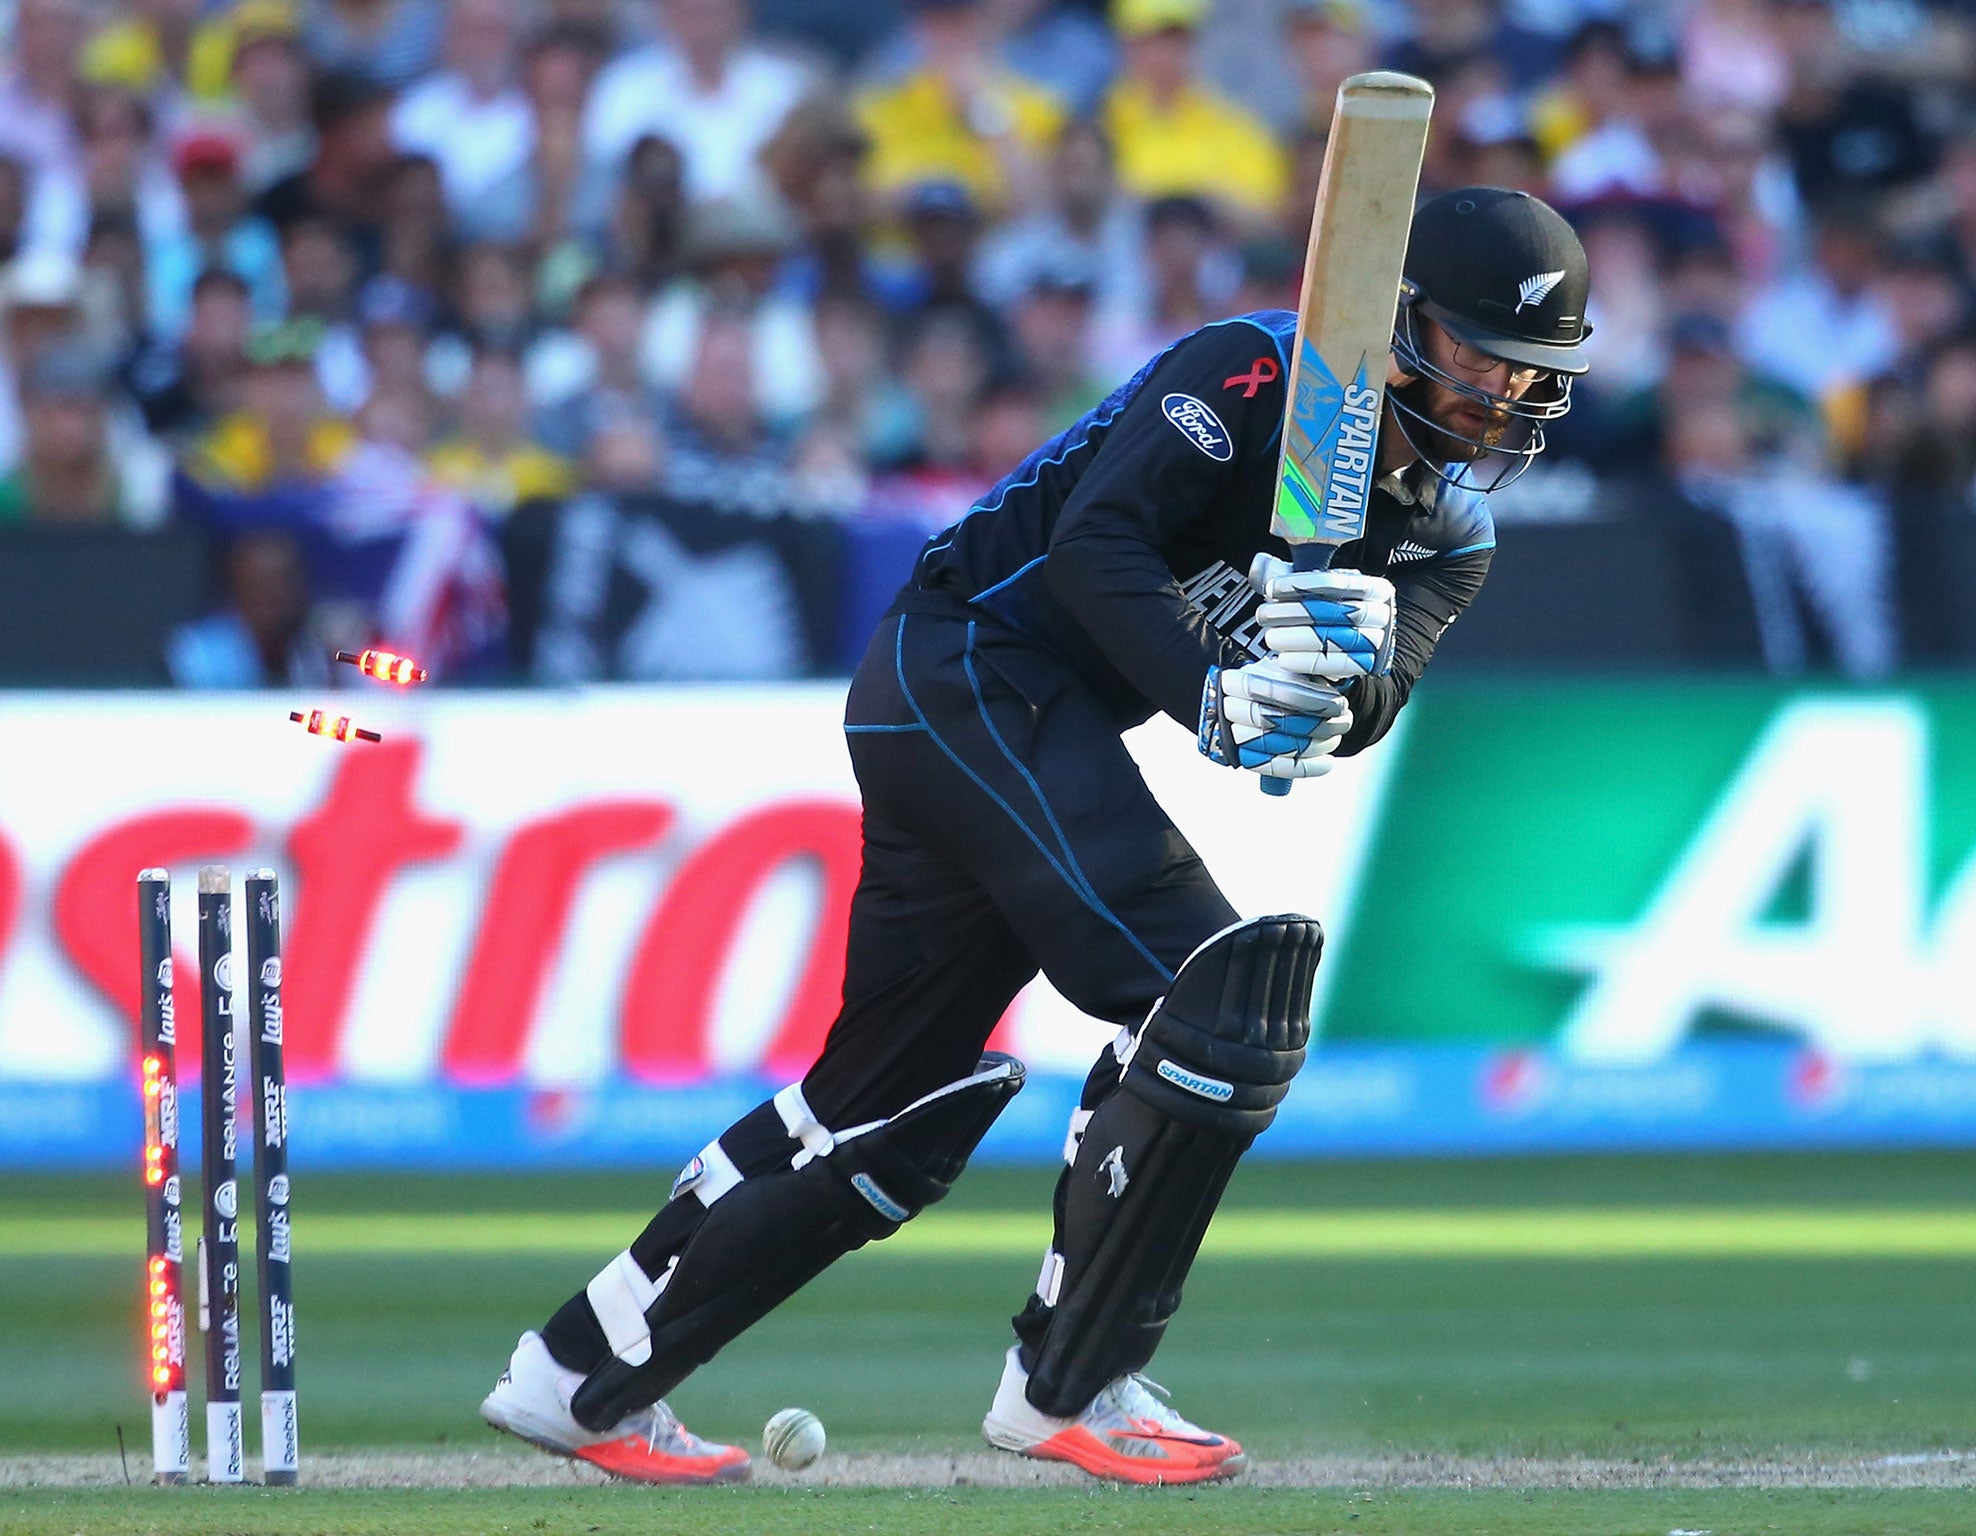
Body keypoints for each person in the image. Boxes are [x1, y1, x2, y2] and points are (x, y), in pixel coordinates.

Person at [479, 186, 1592, 1485]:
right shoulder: (1251, 372)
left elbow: (1367, 709)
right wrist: (1218, 693)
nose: (1500, 396)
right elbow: (1092, 548)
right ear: (1400, 323)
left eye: (1531, 374)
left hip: (990, 718)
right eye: (1478, 356)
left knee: (890, 1109)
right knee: (1218, 997)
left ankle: (576, 1379)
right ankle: (1074, 1380)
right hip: (968, 667)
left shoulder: (1448, 532)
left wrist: (1327, 690)